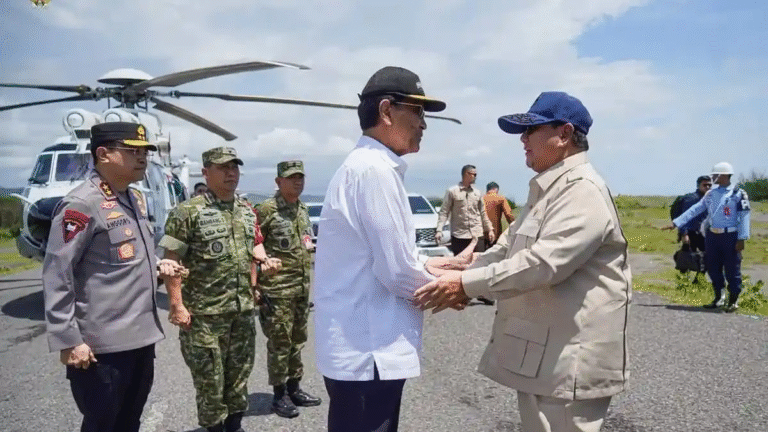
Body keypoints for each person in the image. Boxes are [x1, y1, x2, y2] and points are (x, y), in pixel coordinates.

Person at [414, 92, 632, 432]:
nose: (523, 139)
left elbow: (543, 263)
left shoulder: (582, 190)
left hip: (569, 360)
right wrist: (463, 270)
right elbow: (508, 249)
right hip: (549, 358)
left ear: (563, 134)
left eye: (531, 130)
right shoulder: (551, 188)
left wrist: (464, 286)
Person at [313, 66, 451, 432]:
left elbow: (385, 256)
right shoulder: (373, 170)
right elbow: (398, 271)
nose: (424, 124)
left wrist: (438, 266)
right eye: (418, 112)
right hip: (368, 351)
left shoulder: (365, 166)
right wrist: (456, 288)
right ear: (387, 111)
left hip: (362, 348)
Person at [43, 122, 180, 432]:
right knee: (103, 424)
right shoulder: (81, 204)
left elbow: (130, 252)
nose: (142, 157)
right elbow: (57, 272)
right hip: (102, 348)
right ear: (103, 154)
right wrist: (68, 339)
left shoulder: (132, 198)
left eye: (145, 151)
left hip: (141, 338)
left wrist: (158, 265)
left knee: (129, 421)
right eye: (133, 151)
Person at [159, 146, 280, 432]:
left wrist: (257, 282)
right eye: (223, 167)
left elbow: (250, 256)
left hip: (241, 314)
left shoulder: (246, 211)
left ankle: (235, 426)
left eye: (234, 167)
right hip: (204, 318)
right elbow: (171, 261)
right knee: (210, 384)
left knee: (238, 380)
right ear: (205, 172)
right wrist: (176, 305)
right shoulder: (187, 212)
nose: (231, 173)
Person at [256, 160, 321, 418]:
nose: (297, 182)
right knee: (280, 344)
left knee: (298, 341)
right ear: (278, 181)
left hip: (301, 290)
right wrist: (256, 286)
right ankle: (279, 394)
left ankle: (295, 388)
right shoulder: (267, 210)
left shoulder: (302, 209)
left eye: (300, 177)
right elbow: (251, 247)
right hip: (277, 291)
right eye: (292, 177)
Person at [664, 162, 750, 312]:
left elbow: (744, 216)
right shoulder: (711, 194)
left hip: (730, 236)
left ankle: (733, 300)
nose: (713, 178)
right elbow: (695, 210)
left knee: (732, 269)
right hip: (712, 236)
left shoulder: (738, 194)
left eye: (715, 175)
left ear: (724, 176)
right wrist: (676, 223)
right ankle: (719, 297)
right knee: (712, 267)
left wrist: (742, 238)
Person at [435, 164, 495, 255]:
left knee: (478, 262)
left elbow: (483, 213)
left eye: (476, 175)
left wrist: (490, 229)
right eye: (473, 174)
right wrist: (439, 230)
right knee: (460, 264)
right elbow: (444, 212)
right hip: (459, 236)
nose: (475, 177)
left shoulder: (477, 193)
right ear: (466, 174)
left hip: (477, 234)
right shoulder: (452, 192)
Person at [671, 175, 711, 252]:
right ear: (698, 186)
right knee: (689, 258)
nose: (707, 187)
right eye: (705, 185)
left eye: (709, 185)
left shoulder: (709, 199)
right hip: (691, 233)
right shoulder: (691, 199)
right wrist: (684, 234)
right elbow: (683, 217)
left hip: (705, 233)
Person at [483, 181, 515, 248]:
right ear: (496, 189)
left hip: (480, 234)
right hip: (495, 234)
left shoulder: (480, 199)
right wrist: (515, 227)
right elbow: (509, 215)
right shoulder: (501, 198)